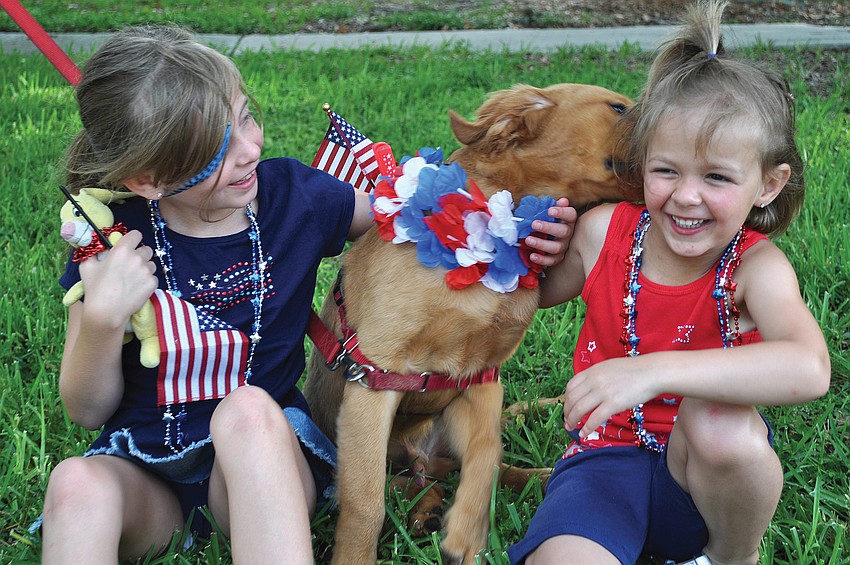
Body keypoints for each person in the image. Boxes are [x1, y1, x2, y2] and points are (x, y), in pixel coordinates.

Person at [37, 25, 575, 564]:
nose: (250, 148)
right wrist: (105, 317)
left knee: (245, 409)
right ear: (147, 180)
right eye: (215, 149)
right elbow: (87, 410)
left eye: (246, 116)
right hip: (149, 478)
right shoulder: (109, 245)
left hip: (262, 462)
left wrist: (519, 229)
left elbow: (416, 217)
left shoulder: (294, 199)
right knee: (75, 481)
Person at [508, 1, 831, 564]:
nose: (686, 196)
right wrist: (540, 254)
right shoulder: (604, 231)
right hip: (602, 464)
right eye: (666, 170)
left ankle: (729, 558)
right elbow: (528, 298)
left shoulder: (755, 268)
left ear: (768, 184)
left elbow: (810, 368)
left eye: (717, 177)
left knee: (716, 420)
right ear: (640, 162)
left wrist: (652, 371)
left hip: (703, 481)